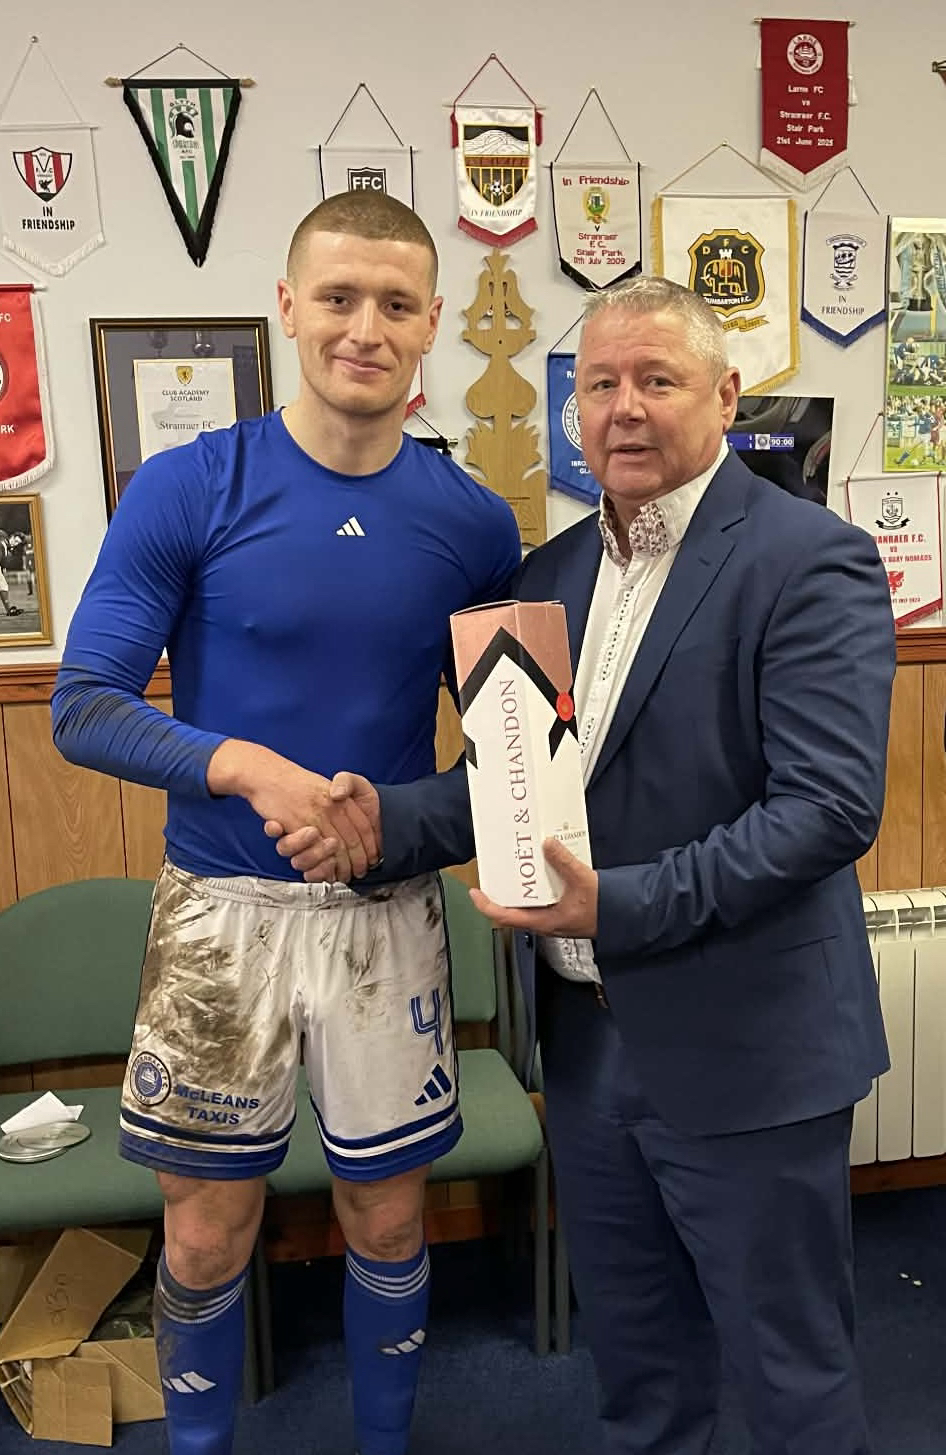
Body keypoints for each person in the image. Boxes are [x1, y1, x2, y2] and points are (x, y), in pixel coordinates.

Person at [280, 276, 897, 1455]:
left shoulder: (809, 558)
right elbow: (509, 789)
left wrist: (613, 905)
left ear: (725, 395)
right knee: (639, 1370)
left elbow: (824, 811)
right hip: (588, 1051)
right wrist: (377, 823)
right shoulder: (548, 576)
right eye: (600, 383)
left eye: (657, 379)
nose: (624, 407)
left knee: (789, 1380)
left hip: (748, 1050)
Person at [51, 190, 521, 1455]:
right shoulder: (189, 485)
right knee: (206, 1233)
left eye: (395, 304)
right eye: (338, 297)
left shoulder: (472, 521)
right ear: (287, 307)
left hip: (383, 916)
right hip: (223, 918)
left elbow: (519, 762)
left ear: (431, 324)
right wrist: (247, 769)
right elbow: (82, 707)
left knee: (389, 1222)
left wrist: (396, 822)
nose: (365, 328)